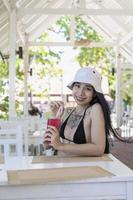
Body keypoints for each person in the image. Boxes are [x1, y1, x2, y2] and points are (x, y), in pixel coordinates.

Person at [44, 67, 114, 156]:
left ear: (95, 93)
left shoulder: (95, 109)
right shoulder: (69, 111)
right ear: (73, 87)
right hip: (60, 164)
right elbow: (47, 145)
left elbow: (98, 149)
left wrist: (61, 146)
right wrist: (55, 117)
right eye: (77, 86)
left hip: (79, 168)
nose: (80, 93)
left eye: (88, 89)